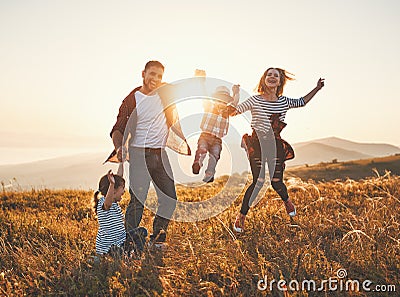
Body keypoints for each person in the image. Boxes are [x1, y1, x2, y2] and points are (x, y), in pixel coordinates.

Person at [230, 67, 325, 232]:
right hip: (257, 144)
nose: (272, 77)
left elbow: (302, 101)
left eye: (276, 75)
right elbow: (232, 112)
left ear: (280, 82)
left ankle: (287, 201)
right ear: (264, 79)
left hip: (275, 145)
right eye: (269, 74)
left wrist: (317, 88)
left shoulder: (284, 102)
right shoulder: (254, 100)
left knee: (276, 182)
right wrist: (235, 95)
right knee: (258, 182)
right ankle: (241, 217)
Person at [109, 60, 191, 246]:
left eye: (159, 76)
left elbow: (184, 87)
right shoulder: (131, 100)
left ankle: (157, 236)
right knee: (138, 200)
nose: (155, 79)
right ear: (143, 74)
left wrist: (199, 79)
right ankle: (128, 240)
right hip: (139, 155)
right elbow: (118, 128)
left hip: (160, 154)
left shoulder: (165, 94)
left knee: (169, 198)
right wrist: (119, 146)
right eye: (152, 74)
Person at [192, 79, 240, 183]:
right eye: (219, 98)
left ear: (228, 101)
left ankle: (209, 174)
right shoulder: (209, 105)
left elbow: (235, 103)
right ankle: (198, 163)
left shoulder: (228, 111)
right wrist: (201, 81)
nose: (222, 101)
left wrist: (236, 92)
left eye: (225, 100)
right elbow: (203, 94)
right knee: (202, 150)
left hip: (217, 140)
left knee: (215, 156)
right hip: (205, 136)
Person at [94, 170, 148, 257]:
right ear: (113, 191)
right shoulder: (104, 203)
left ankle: (136, 256)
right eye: (122, 188)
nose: (124, 191)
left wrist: (121, 162)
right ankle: (122, 255)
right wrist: (112, 184)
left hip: (121, 239)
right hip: (110, 247)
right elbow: (108, 202)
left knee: (142, 231)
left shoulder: (114, 203)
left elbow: (119, 178)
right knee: (117, 251)